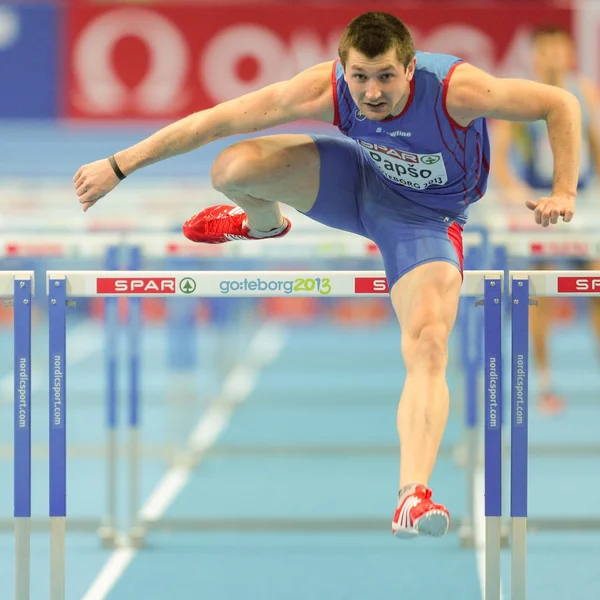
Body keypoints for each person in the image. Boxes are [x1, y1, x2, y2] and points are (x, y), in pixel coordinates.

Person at [73, 12, 580, 539]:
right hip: (355, 181)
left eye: (386, 76)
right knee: (231, 167)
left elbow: (557, 102)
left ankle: (413, 495)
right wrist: (118, 166)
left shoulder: (458, 89)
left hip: (425, 219)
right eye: (360, 76)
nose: (373, 92)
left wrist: (564, 190)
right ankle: (263, 225)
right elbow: (216, 120)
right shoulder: (325, 89)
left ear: (410, 67)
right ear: (343, 67)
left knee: (428, 339)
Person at [493, 25, 599, 415]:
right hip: (541, 206)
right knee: (539, 294)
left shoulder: (584, 92)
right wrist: (513, 192)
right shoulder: (523, 97)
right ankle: (544, 382)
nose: (554, 58)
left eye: (560, 50)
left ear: (569, 53)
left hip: (583, 202)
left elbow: (596, 145)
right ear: (536, 56)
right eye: (546, 51)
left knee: (596, 285)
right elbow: (500, 156)